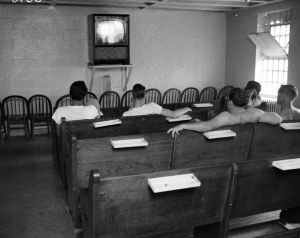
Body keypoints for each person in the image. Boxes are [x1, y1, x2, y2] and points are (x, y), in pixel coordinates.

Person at [167, 88, 282, 137]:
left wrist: (183, 125)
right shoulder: (254, 113)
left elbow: (207, 127)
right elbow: (277, 119)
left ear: (230, 102)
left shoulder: (227, 116)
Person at [122, 84, 192, 118]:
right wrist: (186, 108)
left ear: (132, 96)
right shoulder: (152, 107)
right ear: (145, 95)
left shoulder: (125, 114)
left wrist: (130, 109)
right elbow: (174, 114)